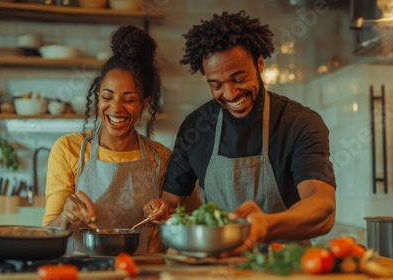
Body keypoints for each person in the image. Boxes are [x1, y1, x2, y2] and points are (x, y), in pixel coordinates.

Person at [144, 11, 336, 255]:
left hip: (285, 264)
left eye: (239, 78)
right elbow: (171, 205)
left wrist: (266, 225)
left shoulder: (299, 123)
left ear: (260, 63)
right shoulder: (195, 128)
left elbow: (321, 204)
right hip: (218, 264)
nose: (231, 93)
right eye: (217, 85)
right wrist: (159, 208)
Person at [42, 25, 201, 255]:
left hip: (144, 273)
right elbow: (48, 237)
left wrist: (170, 217)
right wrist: (66, 215)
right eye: (107, 96)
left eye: (129, 99)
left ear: (144, 103)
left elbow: (197, 224)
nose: (116, 108)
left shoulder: (164, 159)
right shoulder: (69, 149)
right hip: (80, 274)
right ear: (98, 97)